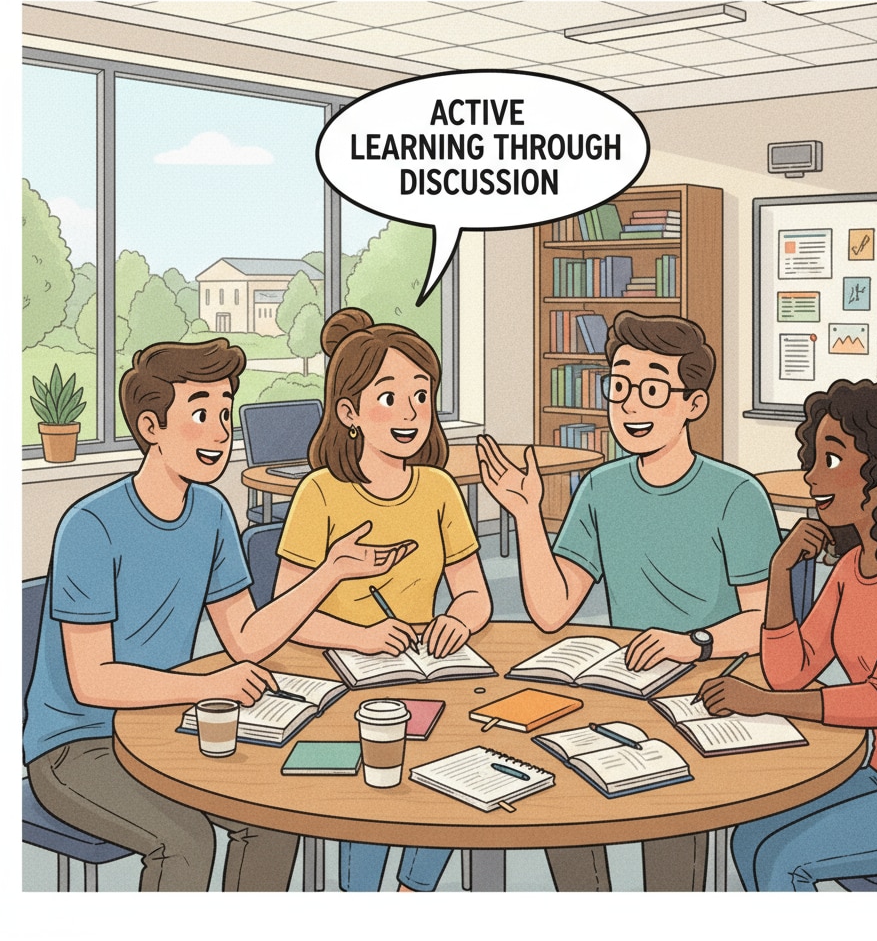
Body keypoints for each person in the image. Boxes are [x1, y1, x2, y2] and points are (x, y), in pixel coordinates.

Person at [24, 339, 416, 892]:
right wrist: (209, 684)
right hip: (76, 747)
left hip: (165, 724)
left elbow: (246, 639)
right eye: (202, 414)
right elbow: (92, 681)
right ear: (151, 427)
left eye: (227, 414)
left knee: (272, 816)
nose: (220, 433)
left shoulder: (210, 512)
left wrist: (330, 571)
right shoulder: (91, 526)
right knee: (185, 841)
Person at [477, 311, 780, 891]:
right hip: (625, 685)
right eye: (618, 387)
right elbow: (552, 609)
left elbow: (767, 622)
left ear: (693, 403)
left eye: (652, 389)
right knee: (557, 790)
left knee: (671, 829)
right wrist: (526, 515)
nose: (631, 406)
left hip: (707, 686)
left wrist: (693, 643)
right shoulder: (601, 488)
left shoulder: (737, 494)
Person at [704, 378, 877, 891]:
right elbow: (791, 671)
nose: (812, 477)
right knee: (746, 838)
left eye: (831, 461)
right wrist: (779, 572)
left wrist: (762, 703)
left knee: (780, 861)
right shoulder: (851, 567)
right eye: (812, 458)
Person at [275, 308, 492, 892]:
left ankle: (412, 891)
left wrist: (458, 619)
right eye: (389, 398)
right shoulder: (320, 493)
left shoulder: (440, 488)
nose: (410, 414)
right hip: (339, 677)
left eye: (421, 397)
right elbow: (286, 614)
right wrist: (362, 637)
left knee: (458, 765)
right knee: (371, 783)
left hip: (421, 669)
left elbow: (474, 592)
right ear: (348, 412)